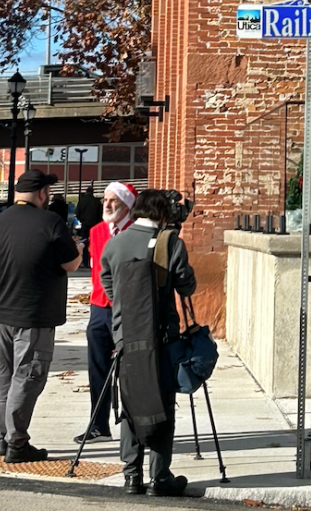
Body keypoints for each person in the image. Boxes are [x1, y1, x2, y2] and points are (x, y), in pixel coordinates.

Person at [0, 167, 82, 463]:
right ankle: (17, 443)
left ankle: (2, 436)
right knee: (28, 377)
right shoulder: (51, 222)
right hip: (35, 315)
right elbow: (71, 264)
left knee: (4, 377)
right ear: (42, 193)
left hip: (2, 313)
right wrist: (81, 250)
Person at [101, 189, 196, 497]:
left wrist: (124, 307)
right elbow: (187, 285)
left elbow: (106, 282)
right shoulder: (171, 244)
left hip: (126, 336)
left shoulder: (114, 244)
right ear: (161, 213)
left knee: (130, 402)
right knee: (161, 404)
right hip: (162, 338)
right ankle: (159, 477)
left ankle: (131, 476)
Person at [74, 180, 137, 443]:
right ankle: (99, 424)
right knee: (98, 366)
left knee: (131, 369)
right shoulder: (98, 231)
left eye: (114, 201)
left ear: (128, 207)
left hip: (130, 310)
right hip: (99, 308)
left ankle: (133, 424)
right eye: (106, 200)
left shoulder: (138, 232)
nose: (108, 205)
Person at [75, 183, 102, 269]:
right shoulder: (96, 201)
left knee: (83, 243)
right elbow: (100, 214)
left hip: (85, 224)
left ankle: (84, 261)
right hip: (94, 225)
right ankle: (93, 261)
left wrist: (82, 220)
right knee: (95, 244)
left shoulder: (82, 201)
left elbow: (77, 213)